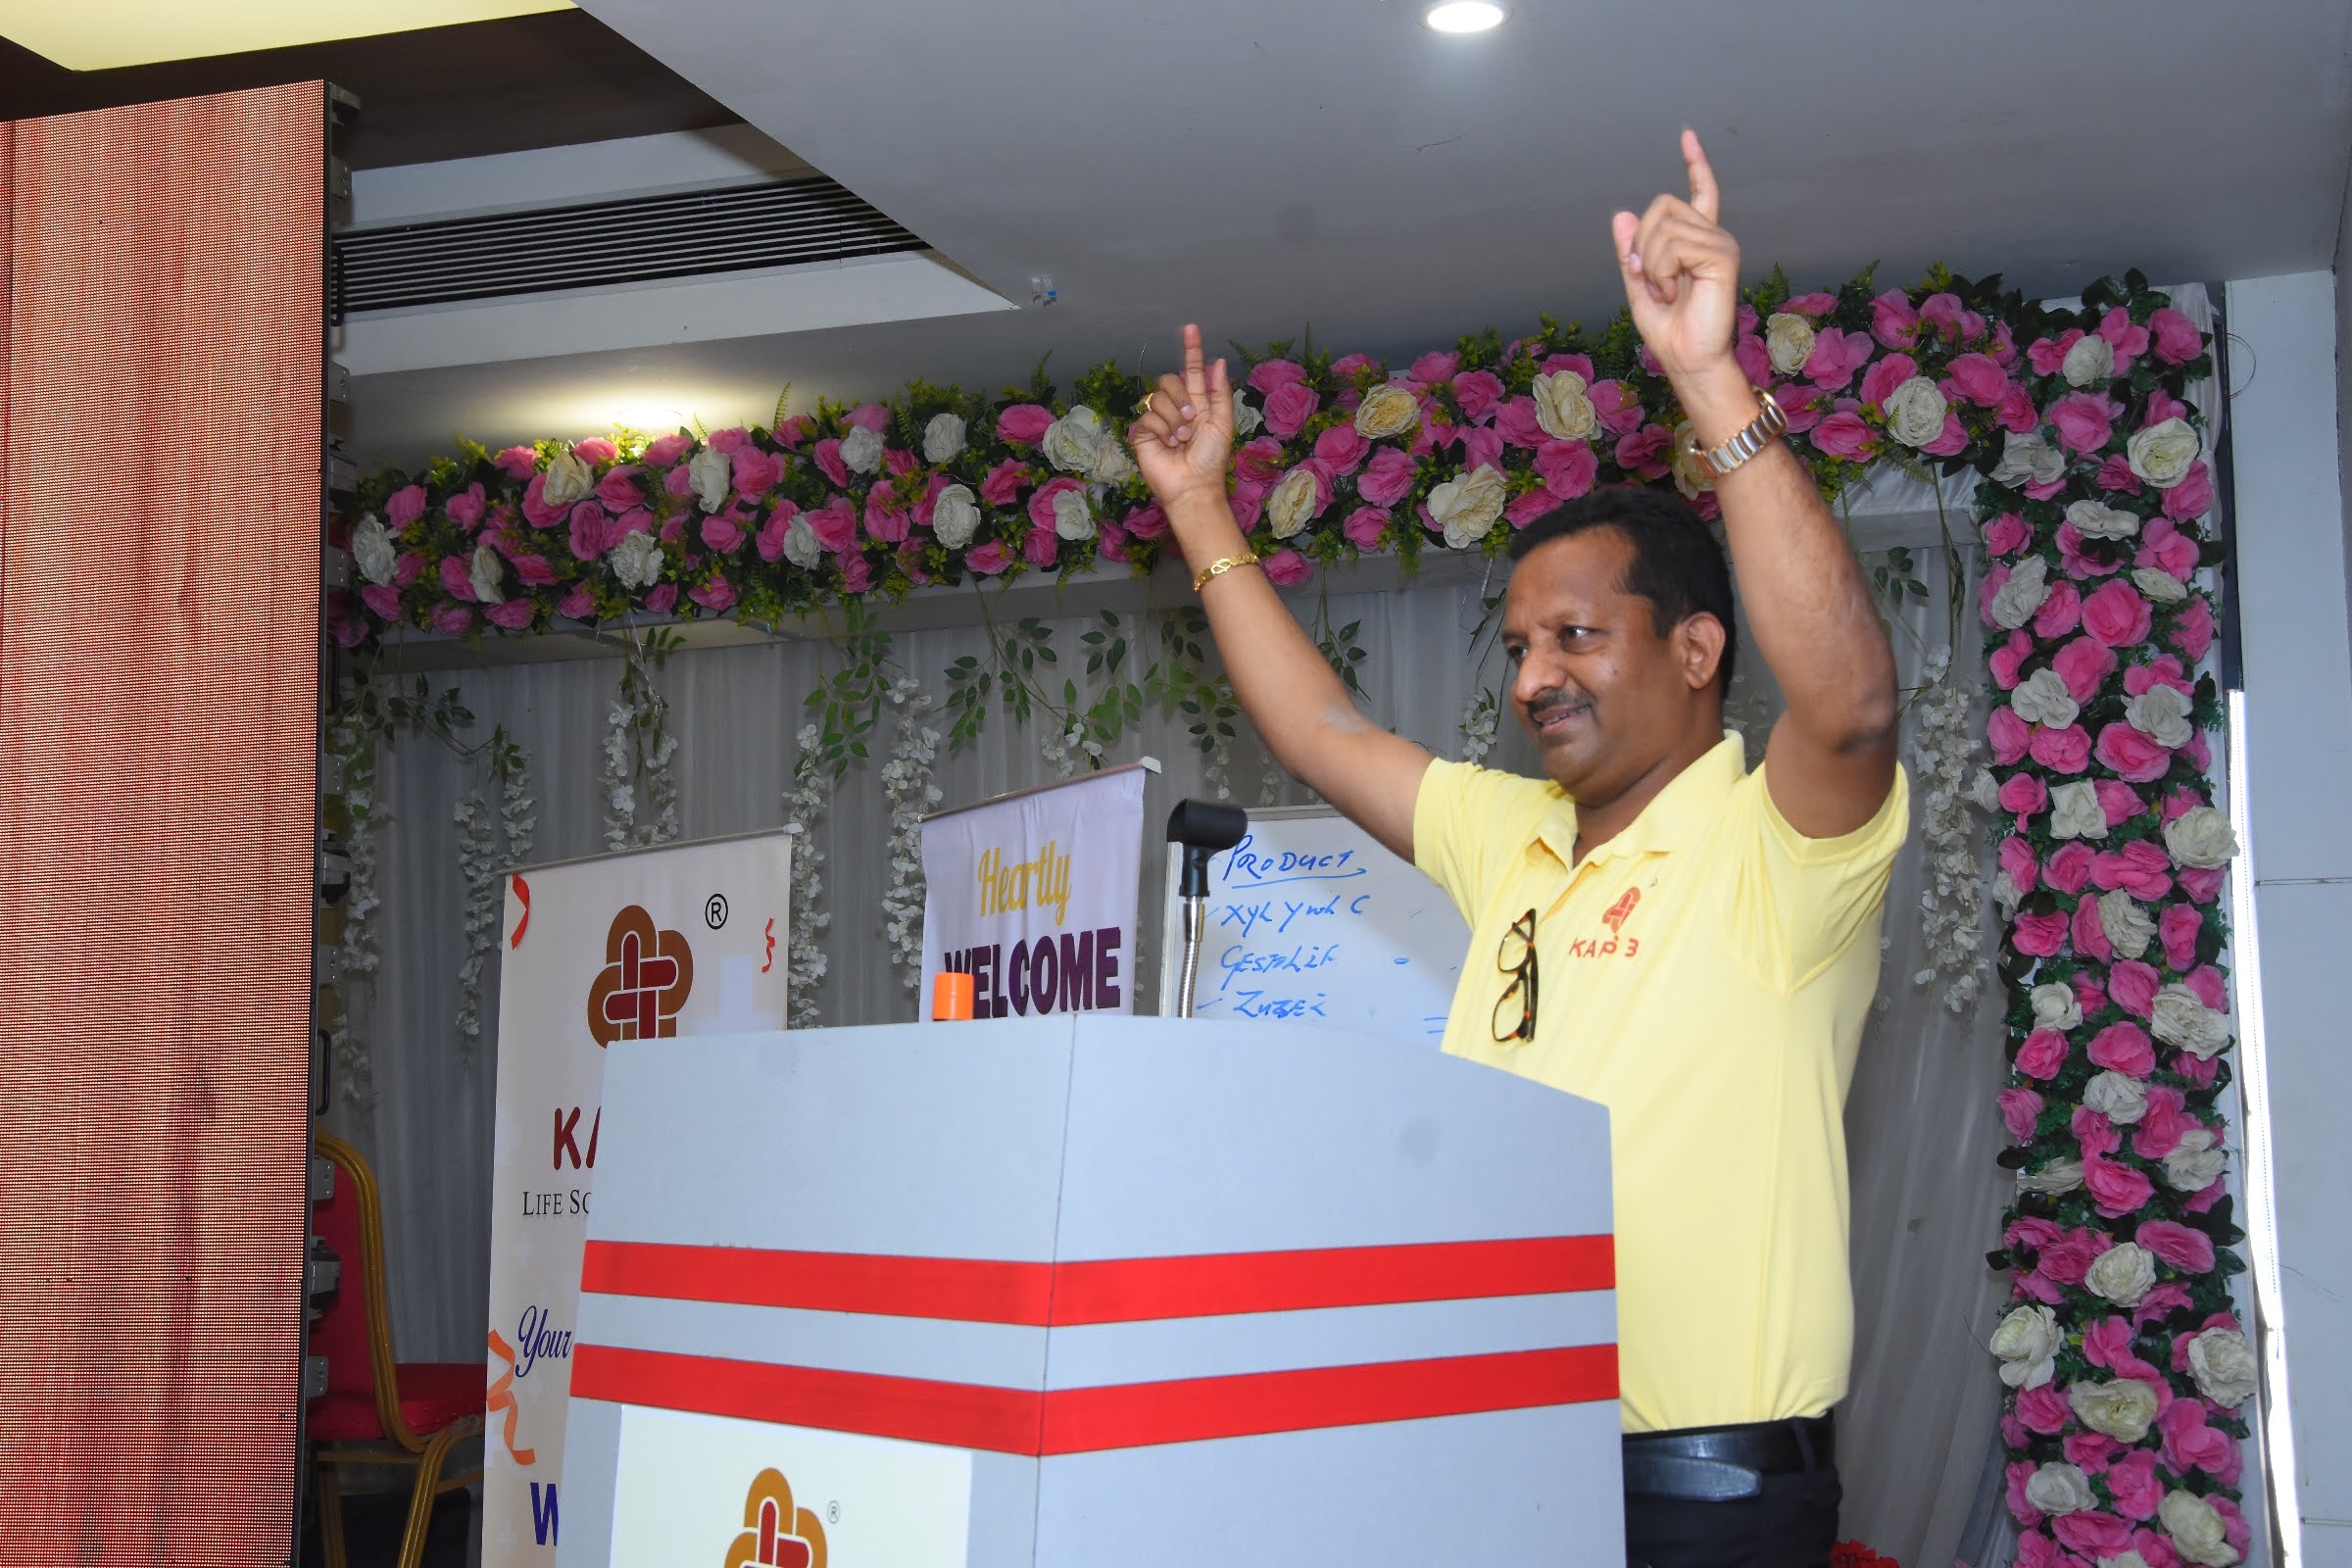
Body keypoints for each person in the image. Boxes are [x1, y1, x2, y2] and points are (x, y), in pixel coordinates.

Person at [1128, 129, 1906, 1567]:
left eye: (1578, 637)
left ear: (1695, 650)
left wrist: (1709, 378)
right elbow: (1324, 733)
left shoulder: (1775, 850)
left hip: (1706, 1496)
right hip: (1491, 1456)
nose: (1536, 677)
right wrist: (1198, 511)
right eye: (1521, 646)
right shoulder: (1512, 834)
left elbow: (1851, 706)